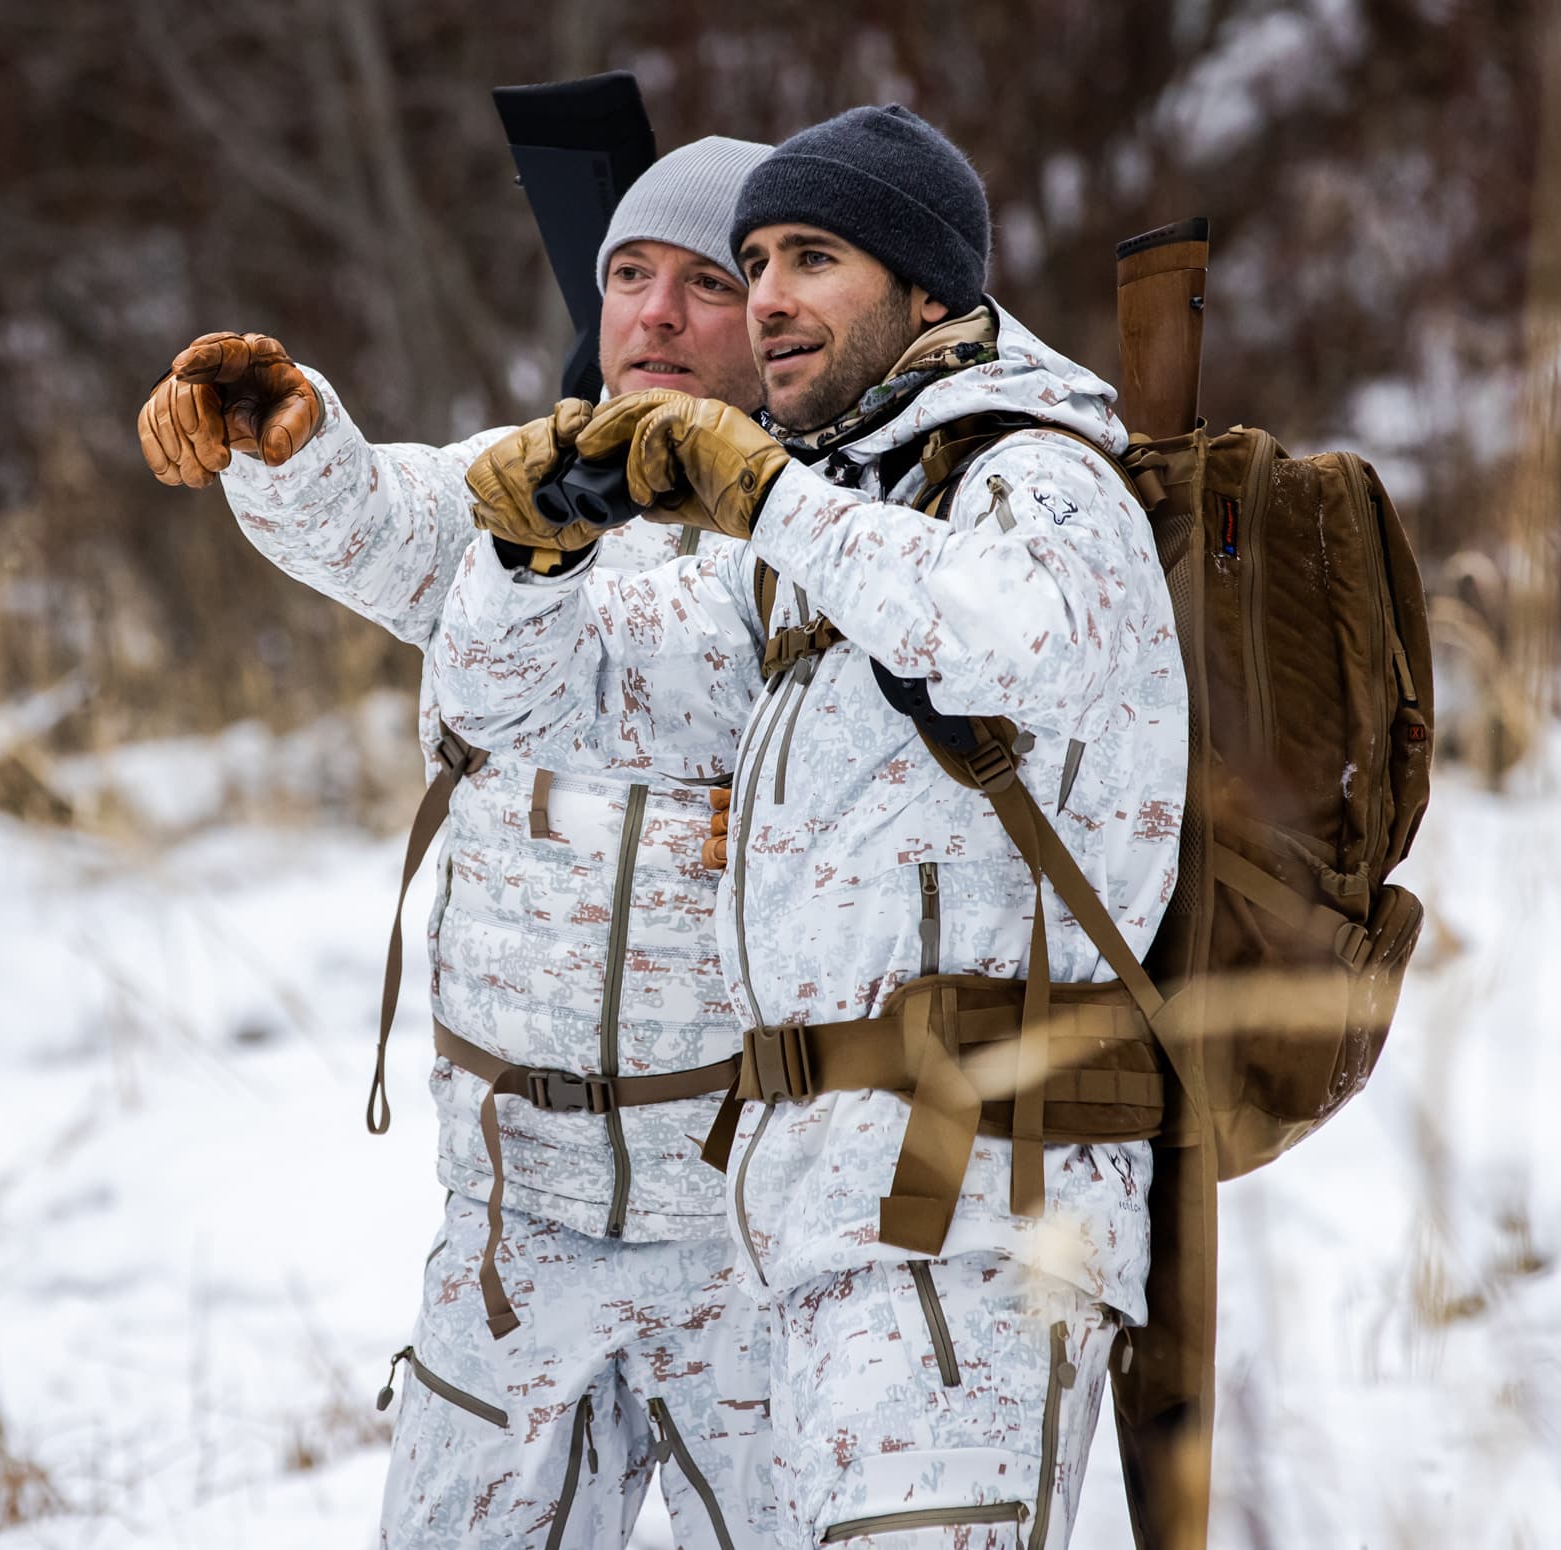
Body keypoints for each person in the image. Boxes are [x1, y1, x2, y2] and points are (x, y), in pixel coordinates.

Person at [432, 105, 1191, 1548]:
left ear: (929, 292)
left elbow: (1013, 641)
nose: (765, 295)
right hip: (834, 1239)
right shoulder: (856, 512)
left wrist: (771, 495)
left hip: (976, 1225)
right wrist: (532, 554)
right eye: (758, 257)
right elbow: (501, 705)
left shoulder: (1036, 475)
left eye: (815, 257)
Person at [138, 136, 787, 1549]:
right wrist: (285, 436)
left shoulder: (825, 534)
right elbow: (380, 513)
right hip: (514, 1225)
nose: (658, 315)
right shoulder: (518, 486)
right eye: (629, 275)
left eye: (707, 282)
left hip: (755, 1228)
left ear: (782, 314)